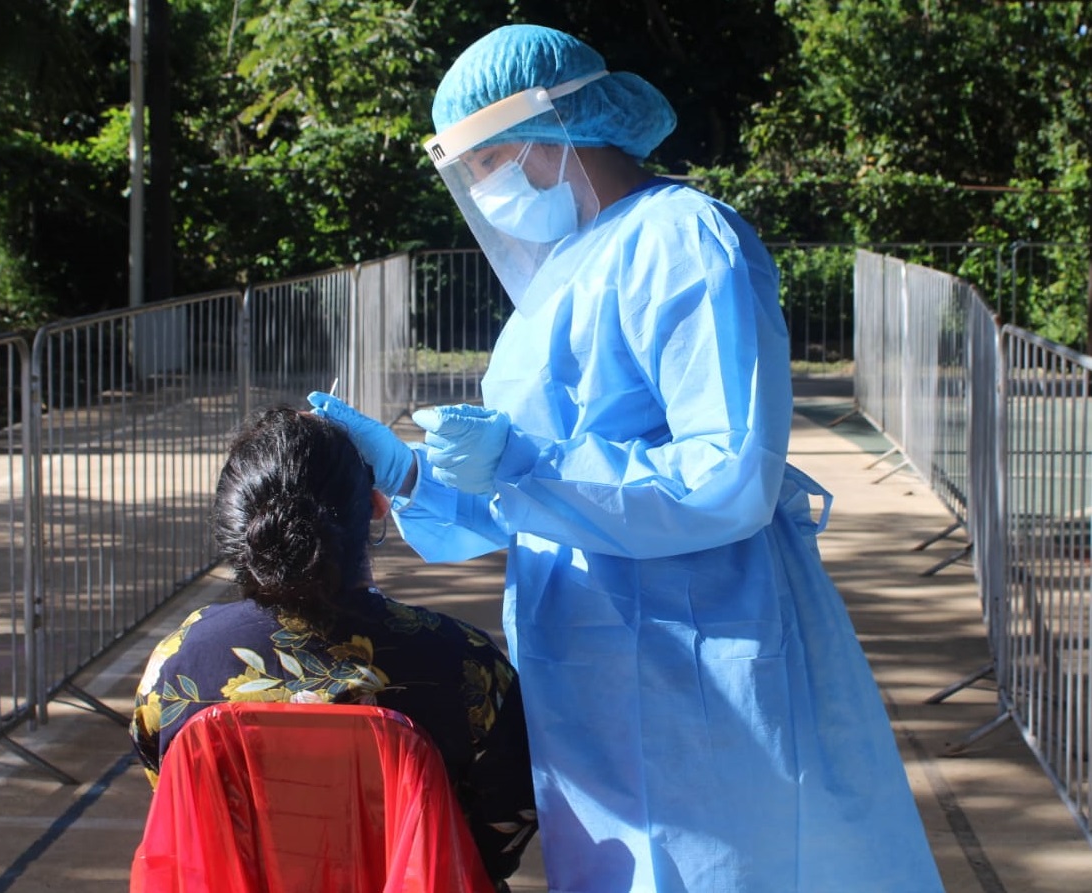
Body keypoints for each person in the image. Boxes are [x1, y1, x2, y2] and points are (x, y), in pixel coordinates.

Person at [308, 23, 945, 893]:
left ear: (546, 133)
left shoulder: (687, 240)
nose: (484, 188)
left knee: (729, 863)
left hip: (699, 644)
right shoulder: (566, 268)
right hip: (587, 653)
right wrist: (420, 477)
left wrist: (522, 466)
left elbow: (728, 477)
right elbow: (525, 497)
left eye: (488, 162)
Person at [129, 406, 537, 887]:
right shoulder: (465, 663)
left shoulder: (181, 661)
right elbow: (504, 828)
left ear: (234, 524)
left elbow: (177, 796)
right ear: (378, 505)